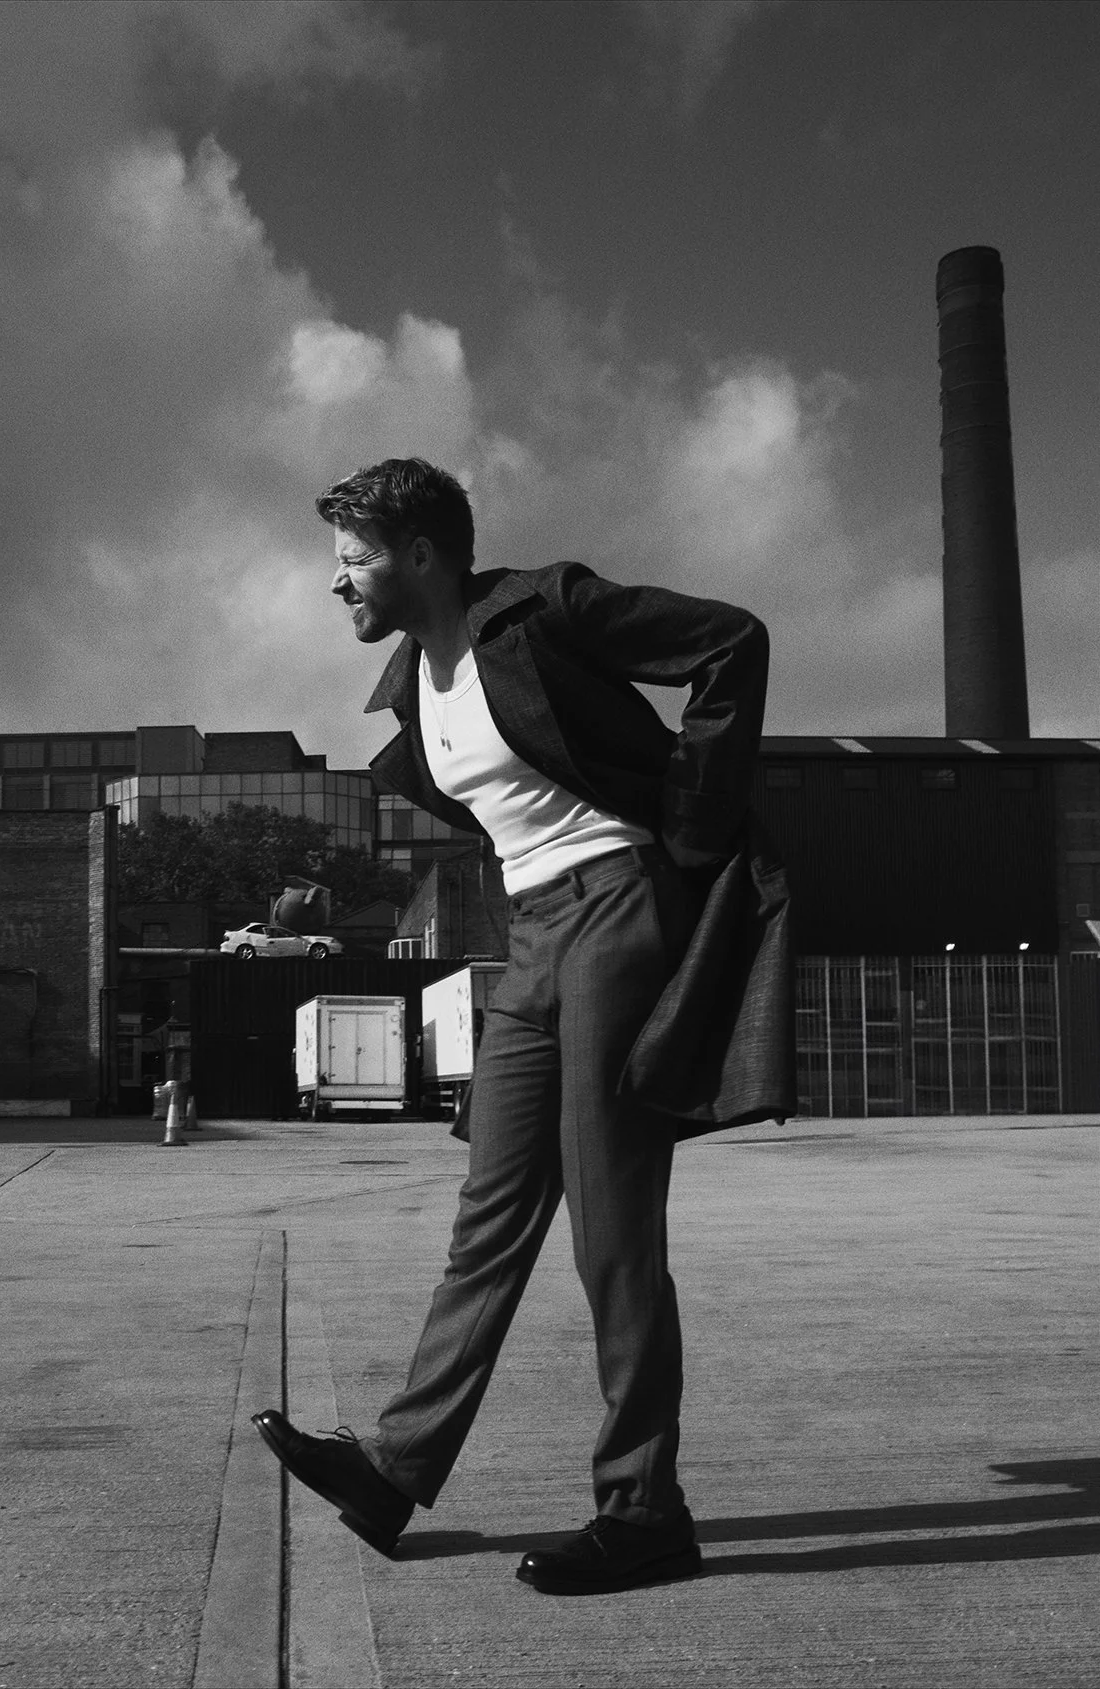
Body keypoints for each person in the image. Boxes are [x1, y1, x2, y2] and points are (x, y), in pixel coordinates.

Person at [255, 458, 794, 1595]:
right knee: (489, 1217)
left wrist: (693, 825)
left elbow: (731, 639)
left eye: (352, 561)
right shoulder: (412, 689)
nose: (338, 584)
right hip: (536, 935)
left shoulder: (542, 609)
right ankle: (394, 1468)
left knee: (612, 1226)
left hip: (620, 905)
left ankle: (644, 1511)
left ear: (421, 555)